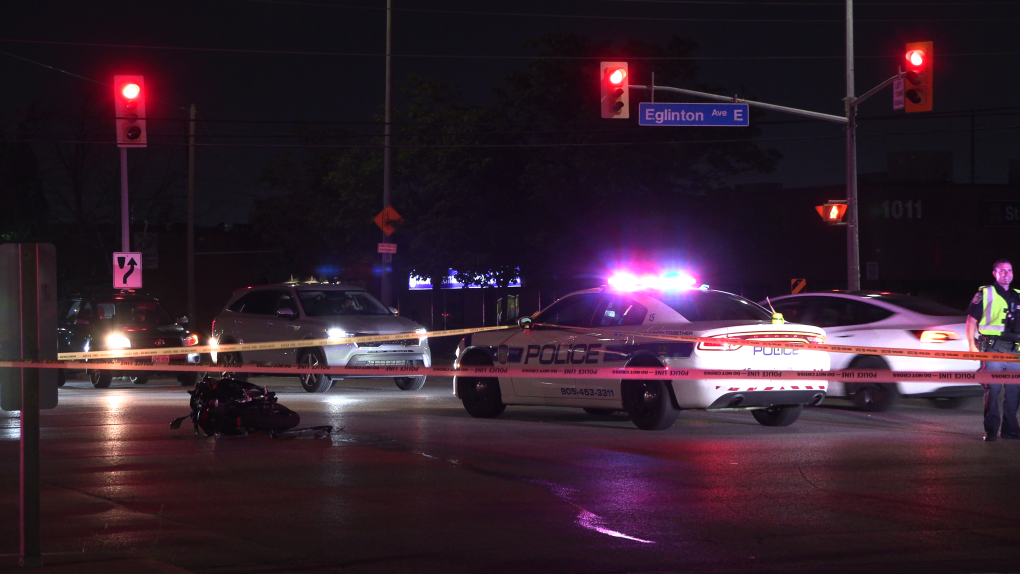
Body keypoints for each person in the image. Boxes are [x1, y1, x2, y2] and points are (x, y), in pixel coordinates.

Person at [966, 259, 1020, 441]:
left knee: (1014, 391)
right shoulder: (985, 293)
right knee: (993, 389)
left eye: (1009, 270)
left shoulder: (1019, 295)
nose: (1007, 273)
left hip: (1015, 351)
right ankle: (991, 430)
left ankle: (1011, 430)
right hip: (992, 349)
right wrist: (972, 346)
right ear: (995, 273)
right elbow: (971, 321)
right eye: (1002, 270)